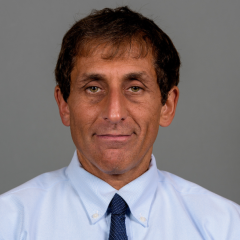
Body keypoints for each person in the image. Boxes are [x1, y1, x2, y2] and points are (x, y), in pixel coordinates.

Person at [0, 6, 239, 240]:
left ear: (167, 105)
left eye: (135, 88)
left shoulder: (224, 227)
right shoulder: (9, 222)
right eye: (93, 88)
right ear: (64, 105)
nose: (114, 114)